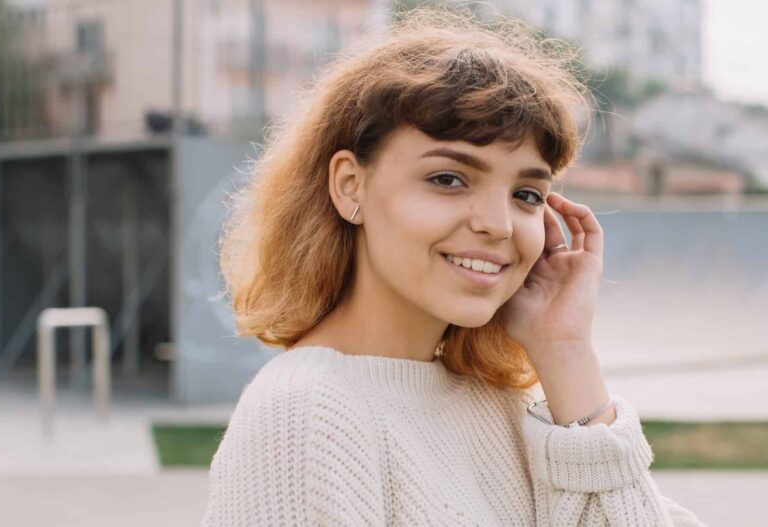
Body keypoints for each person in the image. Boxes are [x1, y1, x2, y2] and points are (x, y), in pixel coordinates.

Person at [202, 4, 706, 526]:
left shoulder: (502, 407)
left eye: (527, 193)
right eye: (448, 179)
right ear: (351, 185)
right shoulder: (304, 416)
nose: (499, 224)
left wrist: (565, 349)